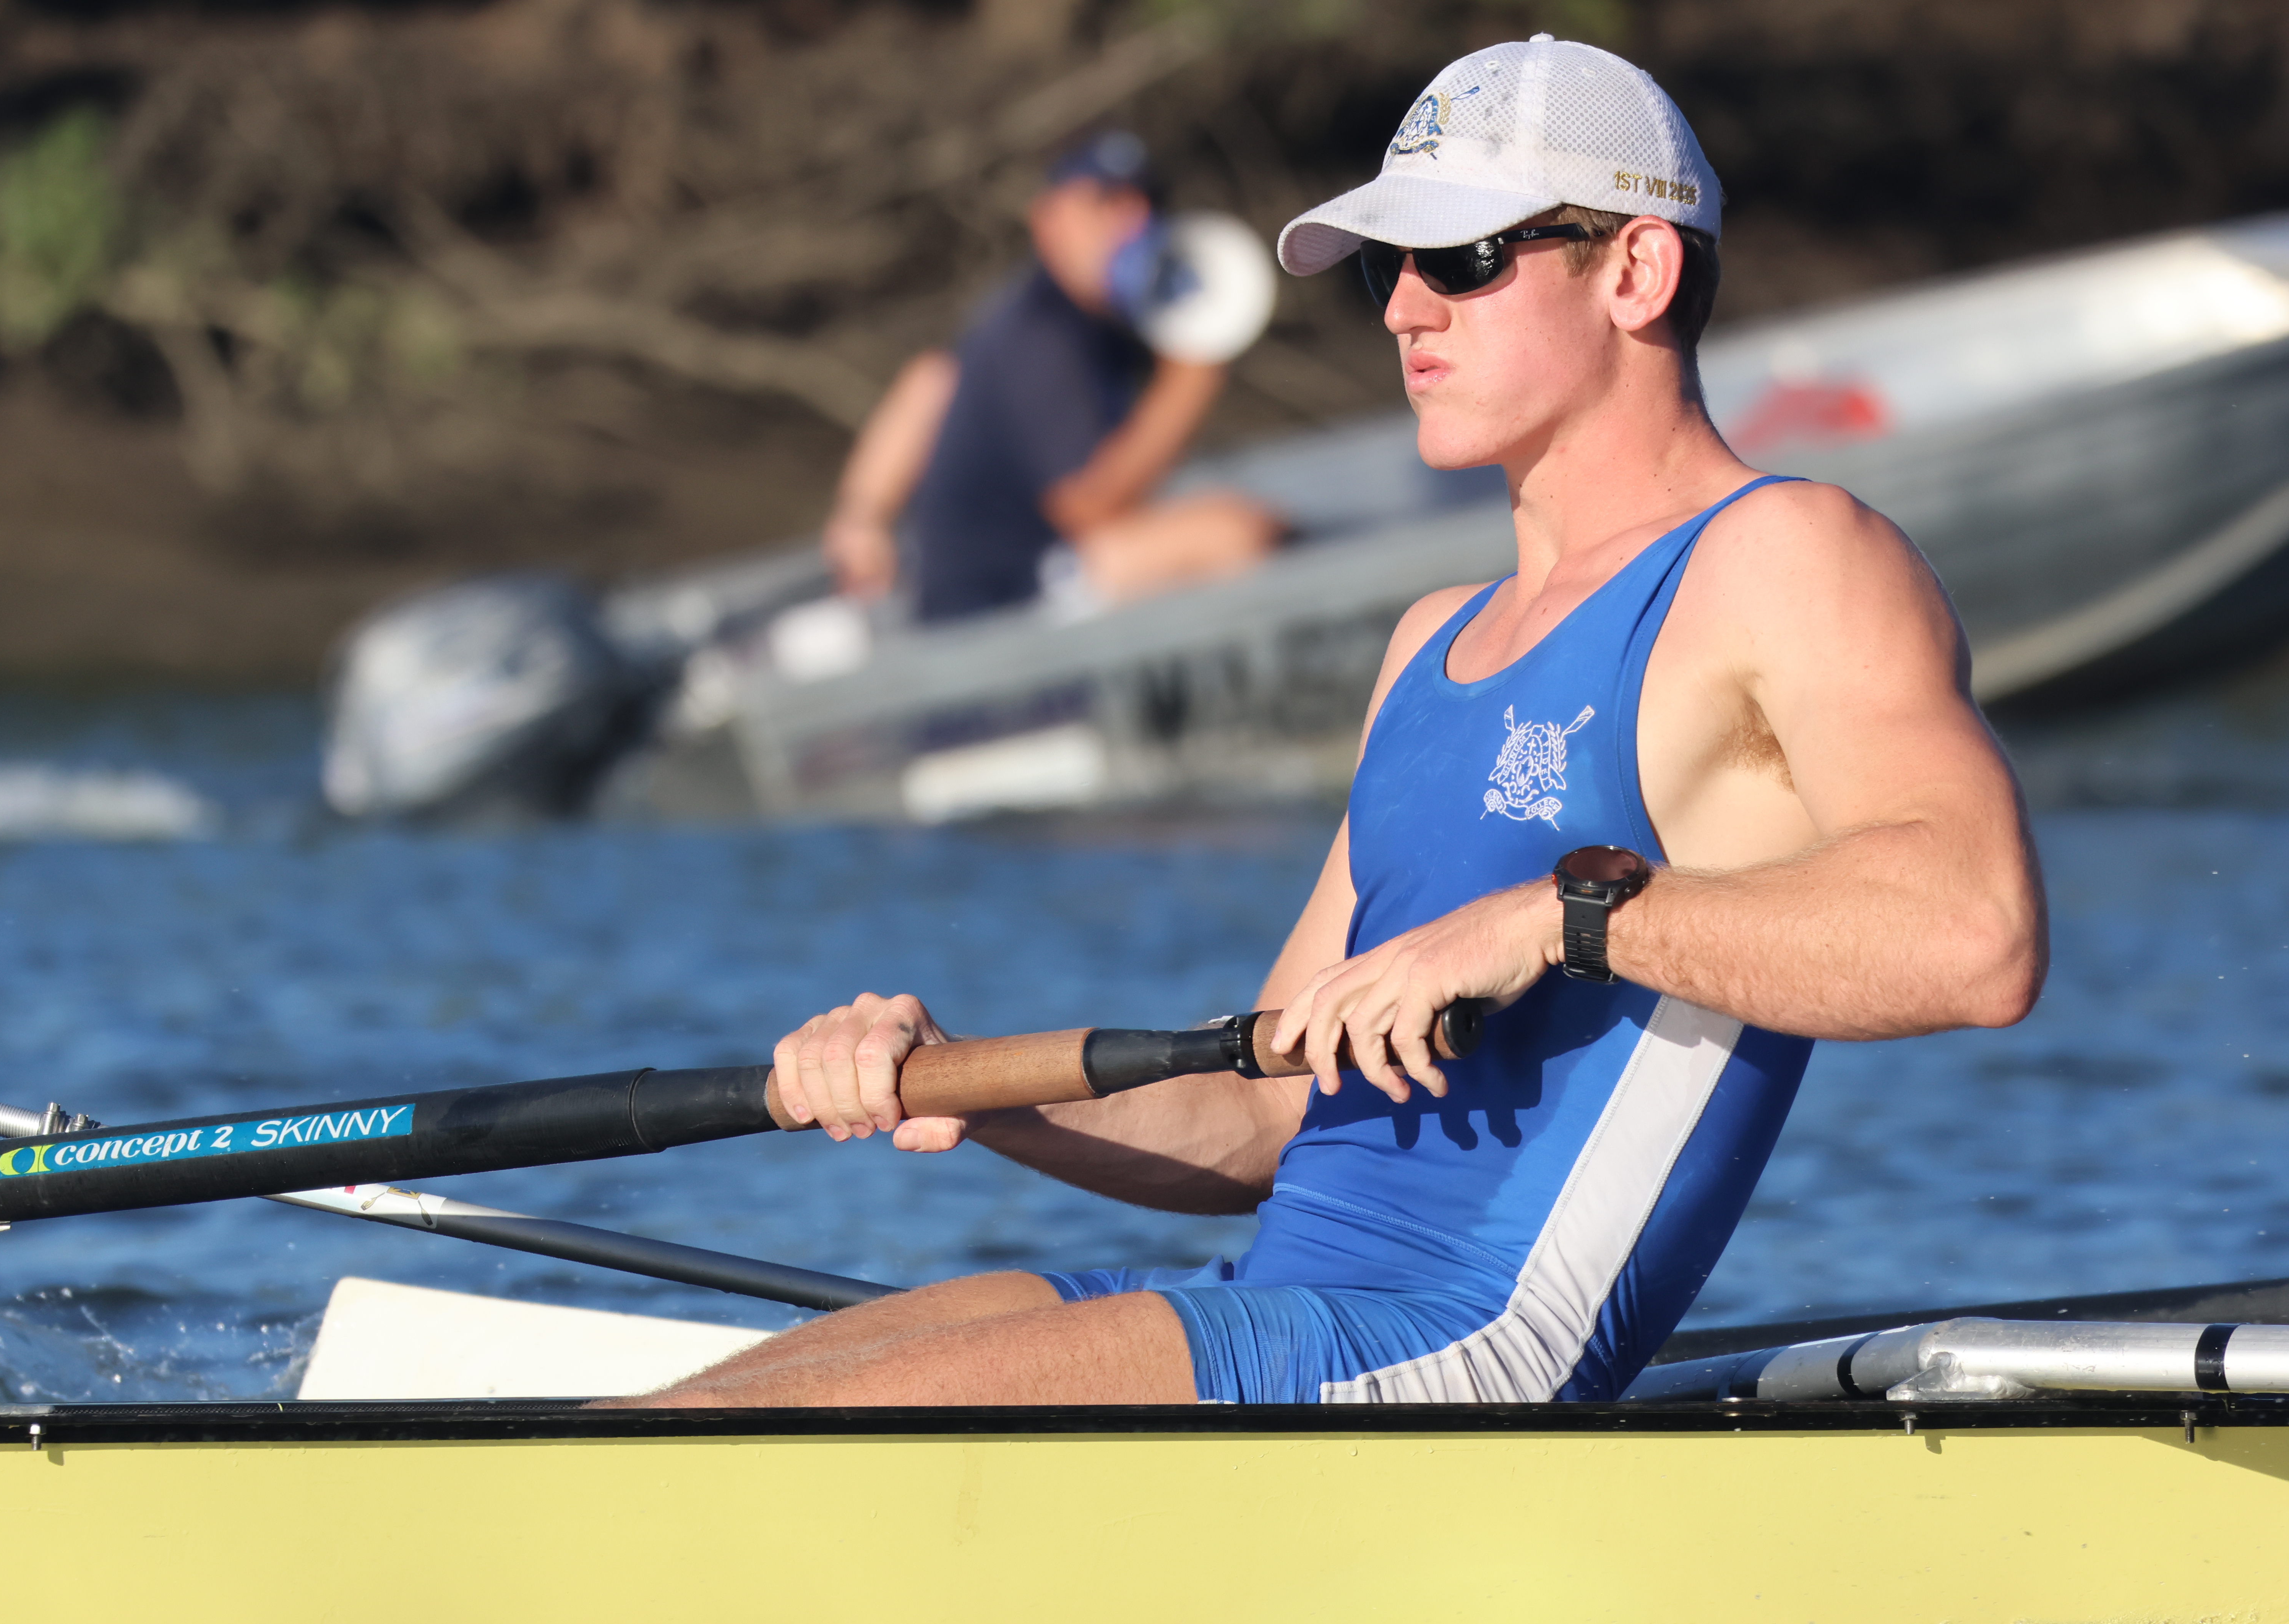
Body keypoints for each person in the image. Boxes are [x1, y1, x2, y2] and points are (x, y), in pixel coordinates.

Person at [601, 36, 2045, 1409]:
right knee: (663, 1425)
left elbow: (1973, 937)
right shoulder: (1431, 643)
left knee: (693, 1467)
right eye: (1390, 269)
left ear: (1638, 269)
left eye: (1465, 259)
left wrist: (1557, 922)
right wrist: (971, 1087)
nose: (1407, 307)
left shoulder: (1784, 557)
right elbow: (1265, 1115)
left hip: (1458, 1360)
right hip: (1275, 1309)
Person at [822, 131, 1282, 623]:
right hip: (996, 599)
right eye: (1106, 202)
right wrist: (1192, 380)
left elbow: (930, 380)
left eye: (1147, 201)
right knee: (1237, 533)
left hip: (1023, 572)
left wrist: (860, 515)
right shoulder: (1042, 335)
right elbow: (1090, 508)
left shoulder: (1085, 318)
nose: (1135, 221)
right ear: (1049, 220)